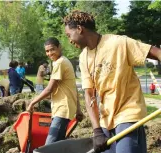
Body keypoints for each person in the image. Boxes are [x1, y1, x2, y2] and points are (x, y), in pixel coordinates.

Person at [64, 11, 161, 153]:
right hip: (105, 120)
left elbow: (156, 52)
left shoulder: (118, 42)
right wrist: (97, 130)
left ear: (79, 29)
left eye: (69, 35)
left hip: (128, 114)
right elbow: (89, 93)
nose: (70, 40)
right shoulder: (84, 57)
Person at [27, 37, 83, 145]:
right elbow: (73, 87)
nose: (49, 53)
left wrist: (32, 102)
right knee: (58, 146)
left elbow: (49, 89)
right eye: (47, 51)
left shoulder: (59, 63)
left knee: (49, 146)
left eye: (52, 49)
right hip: (63, 109)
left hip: (62, 110)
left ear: (59, 47)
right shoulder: (63, 61)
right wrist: (78, 109)